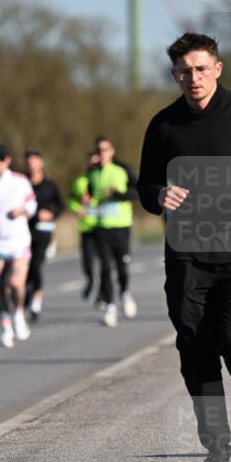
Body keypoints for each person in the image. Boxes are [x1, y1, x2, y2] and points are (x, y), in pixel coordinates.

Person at [137, 32, 231, 462]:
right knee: (195, 347)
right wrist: (159, 193)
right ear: (174, 74)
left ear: (217, 69)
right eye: (184, 71)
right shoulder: (163, 125)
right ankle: (217, 447)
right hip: (186, 252)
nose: (193, 77)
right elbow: (144, 185)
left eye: (201, 68)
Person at [0, 144, 37, 348]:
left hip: (18, 243)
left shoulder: (20, 181)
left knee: (15, 284)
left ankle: (18, 313)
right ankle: (5, 326)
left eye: (2, 159)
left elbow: (32, 204)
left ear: (8, 160)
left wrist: (22, 210)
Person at [87, 137, 138, 327]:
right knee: (105, 269)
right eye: (99, 150)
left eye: (105, 150)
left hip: (122, 226)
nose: (102, 154)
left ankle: (125, 293)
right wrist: (87, 198)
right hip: (102, 227)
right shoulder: (92, 173)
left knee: (122, 266)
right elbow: (89, 193)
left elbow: (137, 192)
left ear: (112, 151)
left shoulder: (122, 170)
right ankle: (110, 307)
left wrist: (118, 194)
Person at [24, 148, 64, 322]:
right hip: (23, 231)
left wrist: (51, 214)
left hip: (43, 231)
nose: (31, 164)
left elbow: (61, 206)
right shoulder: (22, 183)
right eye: (28, 161)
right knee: (24, 268)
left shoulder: (50, 185)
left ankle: (35, 303)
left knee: (36, 264)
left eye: (34, 161)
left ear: (41, 163)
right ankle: (26, 294)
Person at [69, 151, 100, 302]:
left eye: (96, 162)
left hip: (102, 226)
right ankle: (91, 280)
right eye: (91, 162)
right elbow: (71, 200)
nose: (93, 165)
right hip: (86, 227)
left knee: (104, 262)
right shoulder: (80, 181)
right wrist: (77, 207)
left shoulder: (103, 180)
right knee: (87, 261)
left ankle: (103, 292)